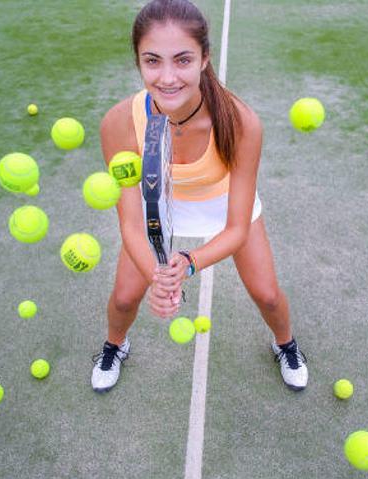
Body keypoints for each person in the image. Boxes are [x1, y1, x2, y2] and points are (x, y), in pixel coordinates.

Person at [91, 0, 307, 393]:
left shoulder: (241, 122)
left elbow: (238, 226)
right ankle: (114, 345)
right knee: (124, 299)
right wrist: (158, 278)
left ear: (205, 59)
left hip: (222, 205)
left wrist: (187, 264)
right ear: (138, 61)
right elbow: (130, 221)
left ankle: (285, 344)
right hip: (156, 204)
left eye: (183, 60)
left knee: (268, 295)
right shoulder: (119, 123)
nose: (168, 77)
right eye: (153, 61)